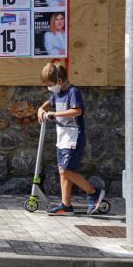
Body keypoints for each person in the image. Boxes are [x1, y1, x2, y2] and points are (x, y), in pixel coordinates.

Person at [37, 63, 105, 215]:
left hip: (74, 138)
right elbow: (46, 105)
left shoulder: (73, 92)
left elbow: (77, 111)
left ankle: (94, 192)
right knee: (63, 171)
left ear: (60, 81)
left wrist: (55, 114)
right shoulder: (57, 93)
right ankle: (66, 205)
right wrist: (41, 109)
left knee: (66, 171)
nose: (49, 88)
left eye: (50, 85)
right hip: (62, 138)